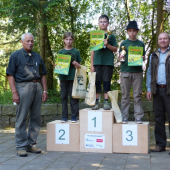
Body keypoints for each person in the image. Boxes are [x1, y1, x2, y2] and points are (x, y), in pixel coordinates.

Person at [6, 33, 48, 157]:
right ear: (22, 41)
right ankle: (21, 146)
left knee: (35, 118)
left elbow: (43, 74)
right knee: (22, 118)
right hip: (22, 87)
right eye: (27, 41)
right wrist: (14, 92)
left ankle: (31, 145)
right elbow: (10, 75)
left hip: (37, 87)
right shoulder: (15, 55)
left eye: (32, 41)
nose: (30, 43)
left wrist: (45, 90)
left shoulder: (37, 56)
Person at [146, 32, 170, 153]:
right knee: (159, 118)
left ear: (168, 40)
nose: (162, 40)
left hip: (169, 90)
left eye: (165, 38)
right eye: (160, 39)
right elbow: (149, 73)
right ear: (158, 41)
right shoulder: (153, 55)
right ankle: (160, 145)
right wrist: (149, 89)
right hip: (157, 90)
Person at [119, 21, 145, 124]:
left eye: (134, 31)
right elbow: (120, 58)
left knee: (137, 95)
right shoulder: (124, 43)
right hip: (125, 71)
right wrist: (120, 57)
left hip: (137, 72)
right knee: (125, 95)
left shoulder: (141, 43)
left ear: (137, 31)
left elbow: (143, 57)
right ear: (127, 32)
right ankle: (124, 117)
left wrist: (143, 58)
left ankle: (138, 117)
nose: (132, 33)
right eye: (130, 31)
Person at [91, 14, 118, 110]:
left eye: (104, 21)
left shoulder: (112, 36)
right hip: (97, 62)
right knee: (97, 83)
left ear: (108, 23)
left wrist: (107, 45)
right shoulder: (95, 35)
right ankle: (96, 103)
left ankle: (106, 103)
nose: (102, 23)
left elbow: (115, 49)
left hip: (108, 63)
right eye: (101, 22)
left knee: (107, 82)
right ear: (98, 23)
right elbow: (92, 50)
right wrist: (91, 65)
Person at [57, 32, 81, 123]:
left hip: (73, 76)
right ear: (64, 40)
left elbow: (80, 65)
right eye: (66, 39)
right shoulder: (61, 52)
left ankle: (74, 116)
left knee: (73, 96)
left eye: (70, 39)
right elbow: (59, 65)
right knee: (63, 97)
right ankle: (64, 116)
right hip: (63, 77)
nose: (68, 41)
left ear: (73, 40)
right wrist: (56, 66)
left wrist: (76, 65)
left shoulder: (76, 51)